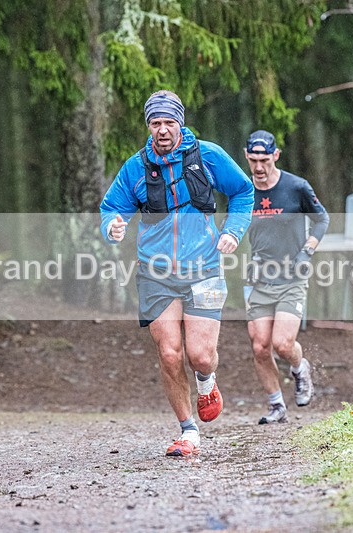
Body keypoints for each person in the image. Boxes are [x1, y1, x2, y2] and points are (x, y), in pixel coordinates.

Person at [99, 90, 254, 457]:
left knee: (200, 355)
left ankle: (207, 381)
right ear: (148, 126)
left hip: (204, 268)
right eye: (156, 123)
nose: (163, 129)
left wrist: (233, 232)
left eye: (169, 122)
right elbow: (111, 208)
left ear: (180, 123)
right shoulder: (135, 168)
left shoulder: (208, 156)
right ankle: (188, 433)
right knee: (169, 354)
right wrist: (113, 227)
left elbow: (243, 193)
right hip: (155, 273)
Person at [243, 130, 329, 424]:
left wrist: (308, 250)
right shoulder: (243, 191)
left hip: (292, 276)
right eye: (253, 160)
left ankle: (299, 366)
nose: (259, 167)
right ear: (246, 157)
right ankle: (276, 405)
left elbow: (322, 219)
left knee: (282, 344)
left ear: (276, 156)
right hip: (259, 278)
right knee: (259, 346)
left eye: (264, 160)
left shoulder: (296, 187)